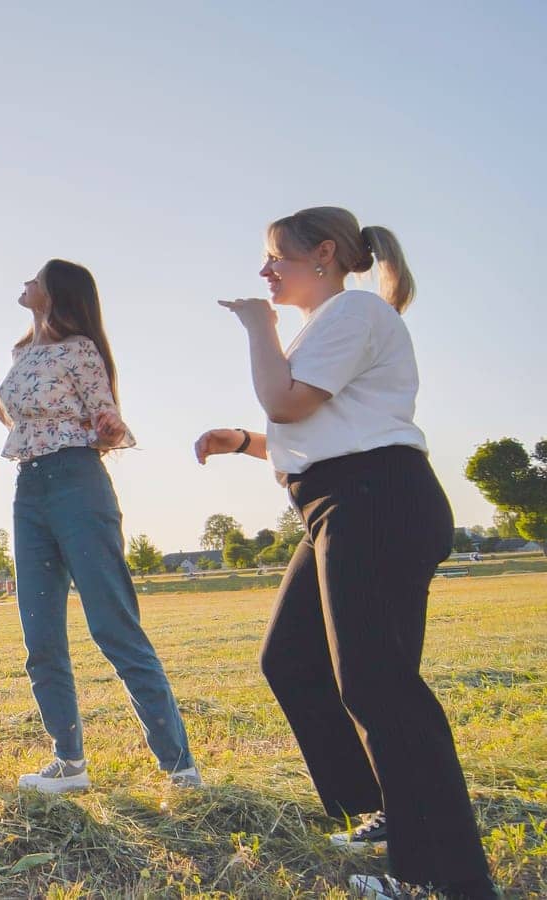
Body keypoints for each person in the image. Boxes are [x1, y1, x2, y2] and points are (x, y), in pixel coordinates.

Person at [193, 207, 496, 900]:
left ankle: (445, 878)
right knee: (292, 660)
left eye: (276, 256)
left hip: (375, 500)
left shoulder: (354, 312)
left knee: (379, 685)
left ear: (324, 253)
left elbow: (289, 402)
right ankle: (386, 812)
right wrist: (244, 441)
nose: (264, 270)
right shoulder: (327, 327)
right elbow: (317, 428)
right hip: (340, 502)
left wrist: (257, 329)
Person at [0, 259, 200, 793]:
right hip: (29, 490)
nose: (25, 281)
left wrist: (112, 425)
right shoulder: (23, 352)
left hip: (77, 481)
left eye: (36, 277)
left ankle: (180, 767)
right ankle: (69, 764)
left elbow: (104, 422)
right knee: (40, 634)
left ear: (55, 292)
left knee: (113, 626)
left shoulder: (81, 349)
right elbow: (19, 421)